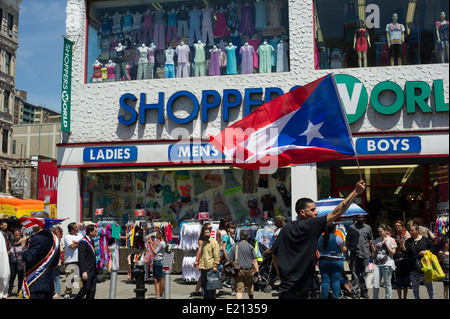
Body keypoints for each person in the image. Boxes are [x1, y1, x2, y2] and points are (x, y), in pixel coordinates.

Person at [272, 180, 366, 299]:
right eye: (312, 210)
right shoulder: (310, 224)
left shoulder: (285, 228)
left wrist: (280, 273)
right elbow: (337, 212)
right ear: (302, 212)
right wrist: (355, 192)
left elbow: (274, 255)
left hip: (287, 287)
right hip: (306, 287)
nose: (316, 212)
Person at [21, 211, 60, 299]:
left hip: (36, 282)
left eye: (33, 223)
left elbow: (29, 258)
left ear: (39, 224)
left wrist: (23, 248)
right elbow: (55, 263)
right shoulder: (54, 238)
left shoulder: (37, 238)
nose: (31, 226)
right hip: (48, 283)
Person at [227, 229, 260, 299]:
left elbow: (229, 259)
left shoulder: (235, 246)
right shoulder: (250, 246)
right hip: (249, 270)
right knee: (250, 285)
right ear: (248, 237)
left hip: (238, 271)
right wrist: (258, 272)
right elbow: (254, 261)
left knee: (239, 290)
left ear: (240, 237)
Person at [346, 214, 373, 299]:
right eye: (359, 218)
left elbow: (370, 240)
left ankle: (364, 291)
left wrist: (372, 252)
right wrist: (346, 252)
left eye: (362, 217)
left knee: (364, 273)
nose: (361, 219)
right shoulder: (351, 228)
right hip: (354, 253)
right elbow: (348, 240)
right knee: (354, 273)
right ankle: (354, 290)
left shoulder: (368, 227)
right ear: (356, 218)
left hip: (365, 253)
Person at [317, 223, 347, 299]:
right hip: (336, 261)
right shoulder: (338, 238)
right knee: (335, 281)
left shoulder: (320, 238)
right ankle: (335, 297)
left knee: (325, 281)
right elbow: (344, 249)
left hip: (323, 261)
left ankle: (324, 297)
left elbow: (318, 248)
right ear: (334, 229)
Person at [405, 223, 434, 299]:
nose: (410, 232)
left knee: (429, 286)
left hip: (425, 267)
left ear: (417, 231)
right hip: (413, 267)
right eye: (410, 231)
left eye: (412, 231)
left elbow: (432, 249)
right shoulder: (408, 241)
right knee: (415, 287)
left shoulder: (425, 240)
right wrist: (402, 245)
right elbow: (407, 252)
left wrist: (426, 252)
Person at [371, 224, 397, 299]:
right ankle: (375, 297)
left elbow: (392, 253)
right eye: (378, 232)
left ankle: (388, 297)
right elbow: (374, 254)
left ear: (385, 231)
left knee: (387, 283)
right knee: (376, 283)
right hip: (377, 264)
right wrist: (372, 247)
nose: (379, 233)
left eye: (381, 232)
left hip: (387, 264)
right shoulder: (377, 240)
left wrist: (386, 243)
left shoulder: (391, 240)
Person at [74, 224, 98, 299]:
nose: (97, 233)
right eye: (95, 231)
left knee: (92, 290)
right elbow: (81, 257)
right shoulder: (83, 242)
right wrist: (83, 271)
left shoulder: (92, 241)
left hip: (93, 269)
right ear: (90, 232)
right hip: (86, 270)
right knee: (86, 288)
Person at [198, 226, 220, 299]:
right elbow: (202, 255)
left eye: (207, 233)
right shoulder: (204, 242)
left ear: (210, 233)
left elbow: (216, 255)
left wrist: (215, 266)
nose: (206, 234)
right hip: (203, 267)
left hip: (210, 267)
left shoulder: (214, 242)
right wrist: (200, 264)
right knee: (204, 287)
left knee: (211, 288)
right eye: (205, 233)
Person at [63, 222, 83, 298]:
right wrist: (79, 243)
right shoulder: (67, 237)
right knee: (70, 277)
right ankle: (68, 292)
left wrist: (76, 243)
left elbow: (83, 243)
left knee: (81, 277)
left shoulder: (80, 235)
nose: (78, 229)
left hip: (80, 259)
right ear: (72, 230)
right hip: (71, 260)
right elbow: (71, 246)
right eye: (76, 228)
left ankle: (83, 291)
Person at [192, 223, 211, 297]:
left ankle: (197, 290)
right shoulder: (202, 238)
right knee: (203, 275)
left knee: (202, 275)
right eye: (209, 228)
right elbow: (200, 249)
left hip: (206, 257)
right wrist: (197, 260)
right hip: (202, 258)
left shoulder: (207, 237)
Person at [7, 228, 26, 297]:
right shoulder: (12, 242)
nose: (17, 235)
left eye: (18, 233)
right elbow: (9, 250)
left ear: (20, 234)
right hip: (13, 262)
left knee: (20, 278)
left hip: (21, 262)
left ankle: (19, 291)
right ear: (14, 235)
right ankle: (9, 291)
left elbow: (25, 251)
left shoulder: (23, 241)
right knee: (12, 277)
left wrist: (23, 246)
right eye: (15, 234)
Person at [148, 228, 166, 299]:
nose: (156, 236)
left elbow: (155, 252)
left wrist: (151, 244)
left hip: (158, 261)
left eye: (157, 234)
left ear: (161, 234)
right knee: (155, 279)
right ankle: (158, 296)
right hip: (157, 261)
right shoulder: (161, 243)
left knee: (160, 279)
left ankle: (160, 296)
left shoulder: (162, 243)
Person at [51, 226, 64, 298]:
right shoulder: (49, 240)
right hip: (50, 261)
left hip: (55, 260)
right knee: (51, 276)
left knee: (56, 276)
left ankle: (57, 291)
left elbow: (61, 250)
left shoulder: (57, 241)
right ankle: (52, 290)